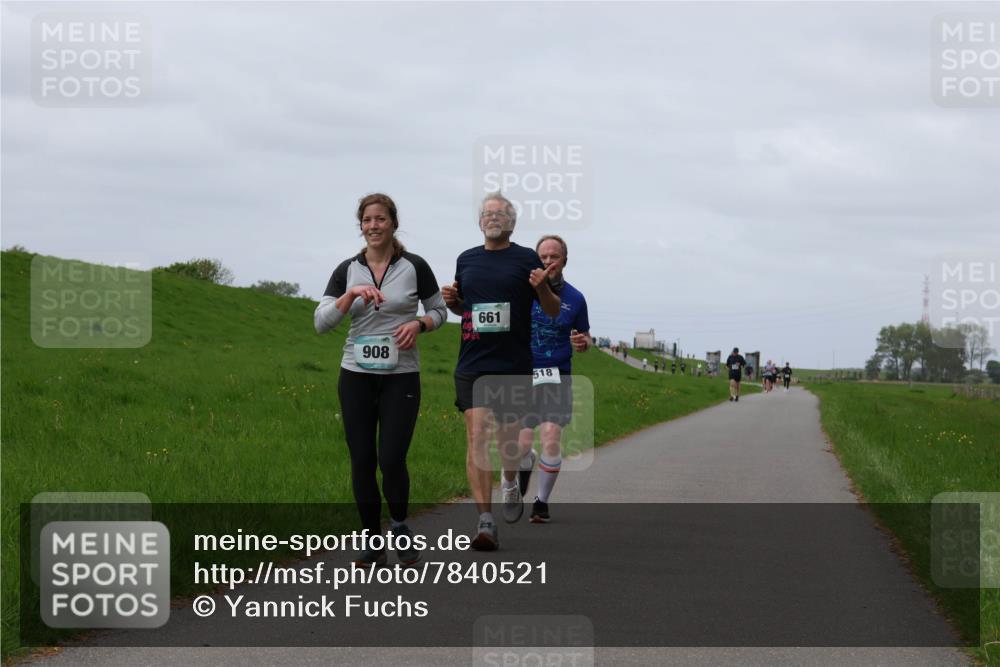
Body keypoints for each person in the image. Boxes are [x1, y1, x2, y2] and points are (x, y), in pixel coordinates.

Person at [314, 193, 447, 567]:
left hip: (401, 376)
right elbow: (321, 323)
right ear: (361, 226)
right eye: (367, 220)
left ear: (393, 223)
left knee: (391, 458)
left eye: (381, 219)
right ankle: (372, 540)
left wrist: (419, 323)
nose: (374, 226)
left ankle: (400, 527)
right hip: (355, 376)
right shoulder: (347, 270)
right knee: (362, 459)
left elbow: (439, 312)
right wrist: (350, 295)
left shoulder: (414, 266)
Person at [441, 192, 560, 551]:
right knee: (477, 436)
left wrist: (542, 288)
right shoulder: (466, 259)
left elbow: (552, 310)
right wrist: (454, 303)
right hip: (473, 362)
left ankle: (511, 479)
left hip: (512, 365)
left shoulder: (526, 259)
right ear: (480, 222)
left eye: (499, 213)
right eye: (487, 213)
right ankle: (485, 521)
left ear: (511, 222)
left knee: (508, 444)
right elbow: (469, 308)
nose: (492, 218)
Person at [515, 235, 590, 523]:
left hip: (558, 374)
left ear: (564, 261)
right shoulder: (523, 291)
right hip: (523, 373)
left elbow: (585, 335)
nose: (548, 262)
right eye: (543, 257)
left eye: (554, 257)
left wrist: (584, 343)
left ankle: (541, 503)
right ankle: (525, 462)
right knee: (520, 445)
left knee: (551, 437)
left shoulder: (576, 298)